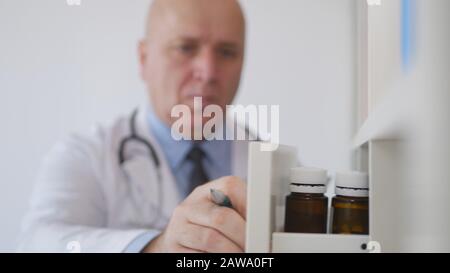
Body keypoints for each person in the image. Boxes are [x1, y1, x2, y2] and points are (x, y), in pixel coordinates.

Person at [18, 0, 251, 253]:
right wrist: (153, 248)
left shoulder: (277, 164)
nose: (208, 72)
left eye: (227, 52)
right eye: (185, 48)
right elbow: (36, 242)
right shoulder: (86, 156)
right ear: (143, 58)